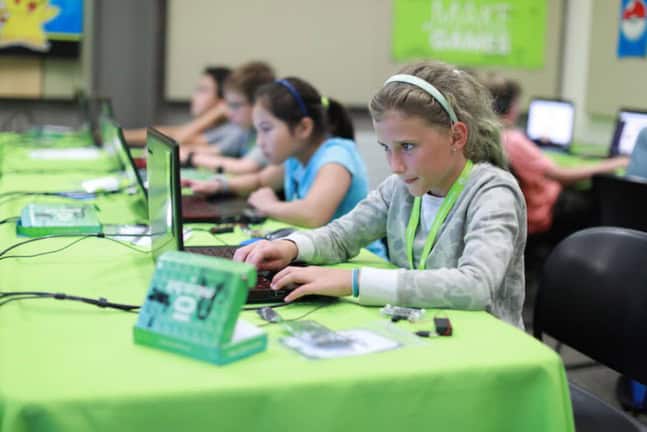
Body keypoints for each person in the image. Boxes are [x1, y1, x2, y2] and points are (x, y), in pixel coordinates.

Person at [231, 61, 528, 328]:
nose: (395, 166)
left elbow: (475, 285)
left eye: (408, 146)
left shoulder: (493, 193)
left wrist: (353, 281)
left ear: (457, 136)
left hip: (488, 345)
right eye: (386, 148)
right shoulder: (400, 186)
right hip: (423, 328)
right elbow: (341, 236)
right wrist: (291, 247)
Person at [183, 77, 386, 256]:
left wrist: (269, 206)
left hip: (361, 260)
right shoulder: (295, 156)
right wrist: (220, 185)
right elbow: (259, 181)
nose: (260, 142)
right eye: (258, 131)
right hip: (322, 253)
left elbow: (313, 215)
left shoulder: (336, 156)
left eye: (266, 129)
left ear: (303, 128)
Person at [483, 75, 628, 240]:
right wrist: (613, 164)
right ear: (511, 107)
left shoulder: (491, 136)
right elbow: (562, 176)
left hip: (520, 211)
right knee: (597, 200)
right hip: (542, 211)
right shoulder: (514, 140)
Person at [181, 61, 275, 174]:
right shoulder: (245, 130)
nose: (228, 112)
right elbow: (214, 151)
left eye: (235, 105)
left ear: (257, 104)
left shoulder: (269, 133)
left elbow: (244, 167)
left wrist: (191, 157)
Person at [123, 66, 234, 148]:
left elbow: (175, 140)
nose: (194, 97)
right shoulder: (211, 128)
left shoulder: (230, 130)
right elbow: (168, 133)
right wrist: (124, 135)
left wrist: (216, 112)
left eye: (202, 90)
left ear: (223, 99)